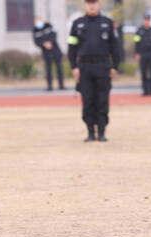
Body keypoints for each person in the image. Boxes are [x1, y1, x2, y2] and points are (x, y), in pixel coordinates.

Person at [68, 0, 120, 142]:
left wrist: (115, 66)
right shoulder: (77, 24)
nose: (92, 6)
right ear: (85, 5)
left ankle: (102, 132)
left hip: (102, 66)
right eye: (89, 3)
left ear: (99, 4)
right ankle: (90, 132)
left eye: (94, 3)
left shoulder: (108, 23)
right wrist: (74, 66)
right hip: (84, 67)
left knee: (102, 100)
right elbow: (71, 47)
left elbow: (116, 47)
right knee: (88, 100)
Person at [33, 16, 65, 91]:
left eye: (39, 20)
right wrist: (44, 44)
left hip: (55, 50)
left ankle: (61, 85)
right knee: (48, 69)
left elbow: (55, 34)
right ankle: (50, 86)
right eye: (36, 21)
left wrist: (50, 42)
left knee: (59, 68)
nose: (38, 22)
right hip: (46, 52)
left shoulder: (48, 26)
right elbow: (36, 41)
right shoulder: (35, 30)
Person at [134, 14, 151, 96]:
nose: (146, 21)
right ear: (143, 20)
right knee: (143, 72)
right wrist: (137, 53)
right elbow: (136, 43)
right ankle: (145, 90)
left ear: (150, 20)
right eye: (145, 19)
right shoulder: (139, 31)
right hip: (143, 54)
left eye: (148, 19)